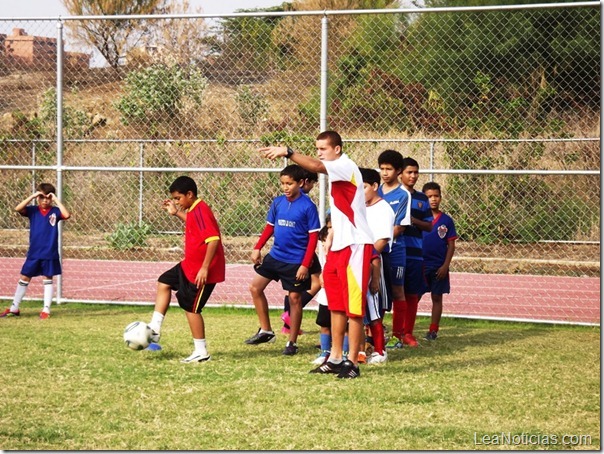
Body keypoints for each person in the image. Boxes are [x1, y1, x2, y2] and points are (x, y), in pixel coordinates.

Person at [259, 130, 374, 379]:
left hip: (356, 246)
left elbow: (317, 166)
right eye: (317, 147)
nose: (319, 152)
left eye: (323, 148)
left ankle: (352, 362)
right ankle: (334, 357)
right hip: (339, 248)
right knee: (335, 304)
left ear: (337, 149)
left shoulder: (344, 165)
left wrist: (288, 153)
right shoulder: (337, 171)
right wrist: (332, 234)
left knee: (354, 308)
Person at [146, 176, 225, 363]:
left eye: (178, 198)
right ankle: (155, 329)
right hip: (188, 265)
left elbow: (213, 239)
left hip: (203, 271)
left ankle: (201, 352)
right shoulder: (194, 209)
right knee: (164, 281)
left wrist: (205, 268)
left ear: (190, 194)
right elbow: (193, 222)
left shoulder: (202, 210)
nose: (176, 202)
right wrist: (175, 213)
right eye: (173, 199)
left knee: (191, 308)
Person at [244, 164, 320, 356]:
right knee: (255, 288)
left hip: (295, 262)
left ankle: (292, 342)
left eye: (290, 184)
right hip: (275, 256)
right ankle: (266, 330)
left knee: (294, 299)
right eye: (283, 184)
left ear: (301, 183)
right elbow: (270, 227)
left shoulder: (308, 206)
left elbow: (313, 238)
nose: (286, 187)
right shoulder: (278, 202)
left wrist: (305, 264)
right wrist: (257, 247)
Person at [0, 183, 71, 319]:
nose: (45, 200)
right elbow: (18, 208)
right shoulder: (33, 210)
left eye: (47, 198)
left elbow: (66, 215)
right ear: (38, 198)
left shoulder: (55, 211)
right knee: (24, 277)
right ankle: (14, 308)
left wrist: (56, 199)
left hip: (49, 252)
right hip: (34, 252)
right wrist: (33, 195)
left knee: (47, 279)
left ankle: (46, 310)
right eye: (41, 197)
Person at [376, 150, 411, 349]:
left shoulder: (403, 194)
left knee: (398, 291)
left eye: (389, 169)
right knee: (376, 291)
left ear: (398, 171)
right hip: (375, 250)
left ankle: (399, 335)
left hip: (394, 250)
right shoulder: (375, 190)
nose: (385, 173)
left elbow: (400, 227)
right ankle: (376, 332)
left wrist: (380, 240)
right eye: (382, 169)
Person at [281, 168, 322, 335]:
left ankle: (287, 322)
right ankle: (290, 313)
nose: (312, 187)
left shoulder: (291, 200)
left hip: (295, 250)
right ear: (304, 182)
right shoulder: (303, 201)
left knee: (295, 288)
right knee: (318, 282)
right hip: (304, 251)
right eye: (312, 183)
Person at [360, 168, 394, 365]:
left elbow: (381, 241)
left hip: (373, 264)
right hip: (355, 263)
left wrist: (365, 259)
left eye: (363, 187)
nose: (359, 192)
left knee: (373, 309)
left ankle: (381, 351)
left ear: (374, 186)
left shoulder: (383, 209)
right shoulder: (359, 207)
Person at [399, 157, 433, 346]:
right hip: (393, 252)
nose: (413, 176)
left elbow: (429, 226)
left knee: (412, 294)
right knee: (390, 294)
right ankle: (377, 332)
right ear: (400, 173)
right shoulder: (390, 194)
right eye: (409, 172)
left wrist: (412, 220)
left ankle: (407, 333)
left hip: (414, 254)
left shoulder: (421, 199)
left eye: (416, 172)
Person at [421, 181, 458, 341]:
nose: (433, 199)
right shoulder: (419, 219)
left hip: (438, 267)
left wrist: (445, 266)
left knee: (437, 297)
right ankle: (404, 330)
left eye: (436, 196)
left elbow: (451, 245)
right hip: (420, 265)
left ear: (441, 198)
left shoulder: (447, 221)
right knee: (413, 296)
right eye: (429, 196)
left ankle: (433, 330)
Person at [311, 216, 332, 366]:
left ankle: (344, 353)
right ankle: (325, 351)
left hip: (342, 285)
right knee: (324, 323)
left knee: (344, 326)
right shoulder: (325, 237)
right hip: (327, 289)